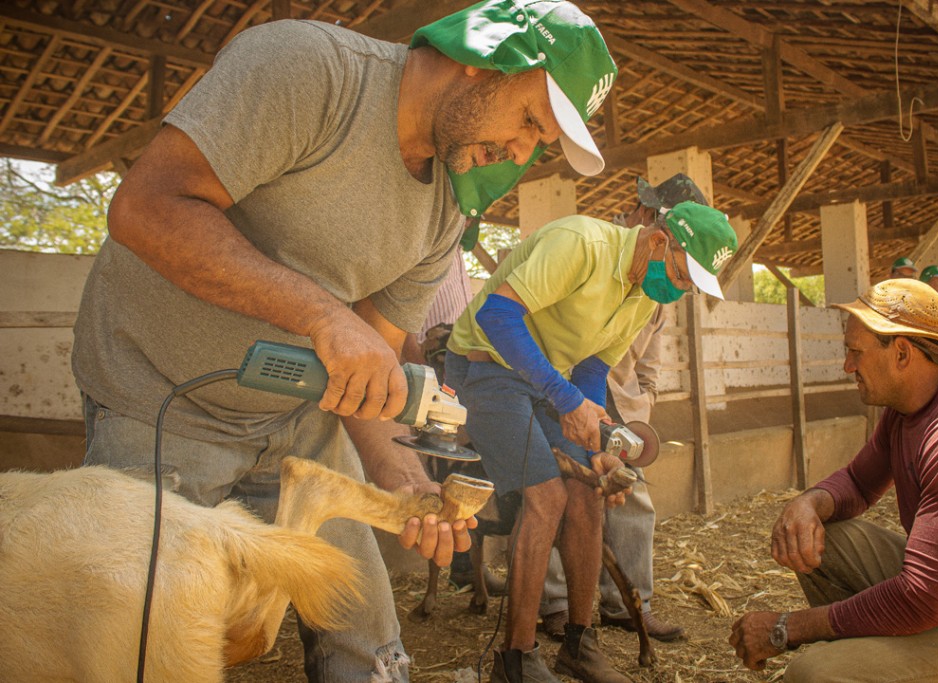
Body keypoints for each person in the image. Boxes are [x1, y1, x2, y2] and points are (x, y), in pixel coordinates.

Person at [70, 1, 618, 681]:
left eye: (541, 141)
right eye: (531, 120)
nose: (523, 152)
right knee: (140, 646)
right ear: (486, 59)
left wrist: (406, 482)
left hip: (300, 422)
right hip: (160, 399)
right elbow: (145, 206)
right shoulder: (310, 72)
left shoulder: (445, 210)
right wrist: (323, 316)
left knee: (371, 650)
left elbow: (370, 378)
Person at [445, 199, 737, 683]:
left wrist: (598, 446)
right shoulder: (581, 244)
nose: (681, 290)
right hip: (486, 364)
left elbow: (593, 368)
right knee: (547, 497)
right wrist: (566, 401)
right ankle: (516, 659)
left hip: (545, 380)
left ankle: (580, 645)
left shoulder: (644, 295)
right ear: (659, 241)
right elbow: (497, 316)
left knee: (588, 493)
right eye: (683, 276)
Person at [729, 278, 938, 682]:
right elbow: (858, 482)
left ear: (901, 353)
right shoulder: (908, 410)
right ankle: (884, 658)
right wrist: (807, 504)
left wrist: (787, 628)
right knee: (823, 536)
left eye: (856, 352)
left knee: (814, 674)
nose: (848, 366)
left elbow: (921, 599)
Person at [539, 175, 706, 645]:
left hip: (620, 397)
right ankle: (555, 604)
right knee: (559, 485)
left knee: (631, 494)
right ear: (650, 217)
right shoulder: (595, 249)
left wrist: (643, 399)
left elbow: (651, 356)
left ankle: (630, 604)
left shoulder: (663, 279)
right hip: (566, 389)